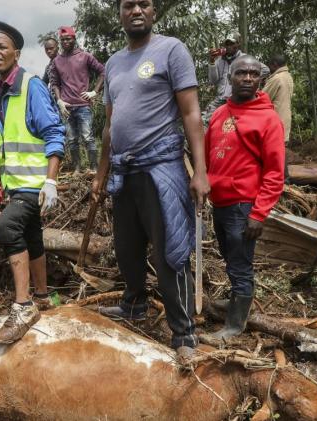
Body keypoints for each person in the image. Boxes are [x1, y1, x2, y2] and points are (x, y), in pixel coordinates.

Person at [94, 0, 210, 362]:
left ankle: (183, 331)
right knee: (127, 247)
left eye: (143, 4)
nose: (136, 11)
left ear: (154, 11)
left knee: (170, 252)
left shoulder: (171, 50)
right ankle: (134, 305)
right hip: (124, 170)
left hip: (161, 167)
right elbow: (110, 125)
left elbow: (191, 113)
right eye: (128, 5)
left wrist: (201, 171)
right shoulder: (113, 63)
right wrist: (100, 174)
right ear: (120, 14)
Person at [0, 21, 66, 345]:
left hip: (34, 185)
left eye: (1, 46)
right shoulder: (0, 94)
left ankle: (24, 305)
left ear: (16, 52)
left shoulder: (31, 86)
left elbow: (54, 131)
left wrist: (51, 182)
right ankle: (43, 295)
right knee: (32, 235)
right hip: (17, 185)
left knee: (7, 229)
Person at [203, 55, 285, 341]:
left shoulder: (268, 118)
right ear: (230, 77)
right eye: (241, 73)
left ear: (260, 79)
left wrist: (259, 213)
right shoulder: (219, 113)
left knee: (240, 264)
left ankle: (234, 326)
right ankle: (237, 302)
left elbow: (275, 172)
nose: (248, 78)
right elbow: (207, 154)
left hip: (243, 205)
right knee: (230, 257)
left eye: (253, 74)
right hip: (220, 202)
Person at [50, 25, 105, 172]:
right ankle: (76, 169)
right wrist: (59, 100)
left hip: (83, 105)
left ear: (74, 39)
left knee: (88, 138)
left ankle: (94, 168)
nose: (65, 42)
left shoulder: (85, 56)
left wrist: (94, 91)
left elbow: (103, 72)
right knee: (72, 140)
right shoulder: (57, 61)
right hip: (67, 107)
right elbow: (55, 83)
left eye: (68, 39)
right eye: (62, 40)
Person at [207, 34, 269, 108]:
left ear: (238, 44)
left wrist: (250, 78)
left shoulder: (244, 59)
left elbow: (266, 70)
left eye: (232, 43)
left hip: (237, 99)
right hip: (221, 100)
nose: (229, 46)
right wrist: (212, 62)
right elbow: (213, 81)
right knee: (206, 117)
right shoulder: (220, 60)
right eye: (227, 44)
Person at [262, 53, 294, 143]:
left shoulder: (277, 78)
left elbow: (262, 98)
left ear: (275, 64)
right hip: (284, 121)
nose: (269, 69)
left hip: (275, 122)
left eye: (270, 66)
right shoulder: (288, 76)